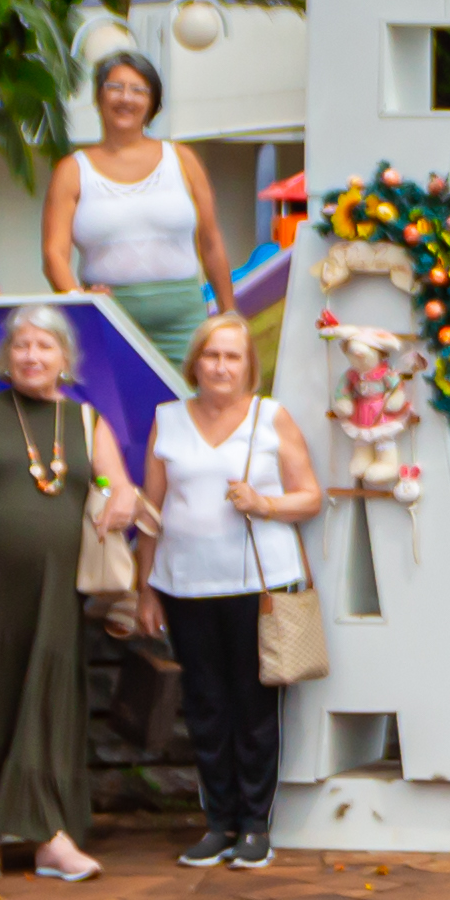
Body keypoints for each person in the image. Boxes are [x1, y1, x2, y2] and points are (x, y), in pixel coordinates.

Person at [0, 305, 145, 886]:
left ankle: (52, 837)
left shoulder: (84, 422)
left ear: (65, 359)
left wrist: (120, 491)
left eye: (45, 347)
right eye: (22, 345)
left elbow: (108, 481)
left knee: (50, 704)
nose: (31, 356)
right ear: (6, 356)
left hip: (57, 595)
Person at [148, 312, 325, 870]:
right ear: (195, 361)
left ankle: (254, 824)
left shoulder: (271, 418)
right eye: (211, 355)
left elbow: (311, 497)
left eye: (232, 356)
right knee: (204, 705)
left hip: (258, 585)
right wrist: (143, 588)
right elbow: (153, 514)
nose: (220, 366)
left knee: (252, 707)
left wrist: (264, 504)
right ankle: (217, 822)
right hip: (184, 585)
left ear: (248, 365)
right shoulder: (167, 419)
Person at [45, 55, 230, 371]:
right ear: (99, 97)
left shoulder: (182, 159)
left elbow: (211, 243)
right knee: (111, 418)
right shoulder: (72, 170)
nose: (125, 98)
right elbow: (53, 254)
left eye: (138, 90)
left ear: (153, 102)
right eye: (115, 87)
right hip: (108, 322)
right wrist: (80, 302)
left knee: (190, 411)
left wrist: (229, 316)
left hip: (183, 324)